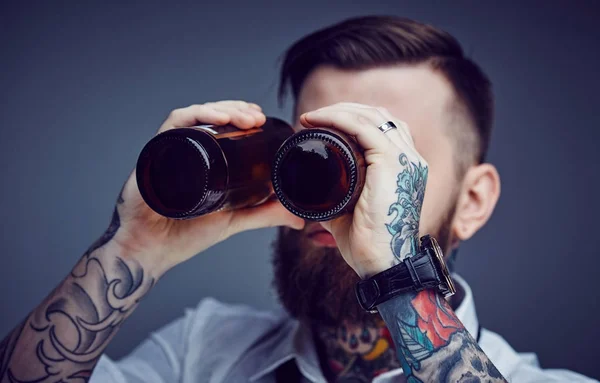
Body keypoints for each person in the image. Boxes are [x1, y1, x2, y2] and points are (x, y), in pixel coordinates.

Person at [0, 15, 595, 383]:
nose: (342, 191)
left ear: (473, 201)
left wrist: (395, 275)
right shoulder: (201, 354)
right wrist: (132, 248)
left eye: (388, 157)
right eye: (320, 152)